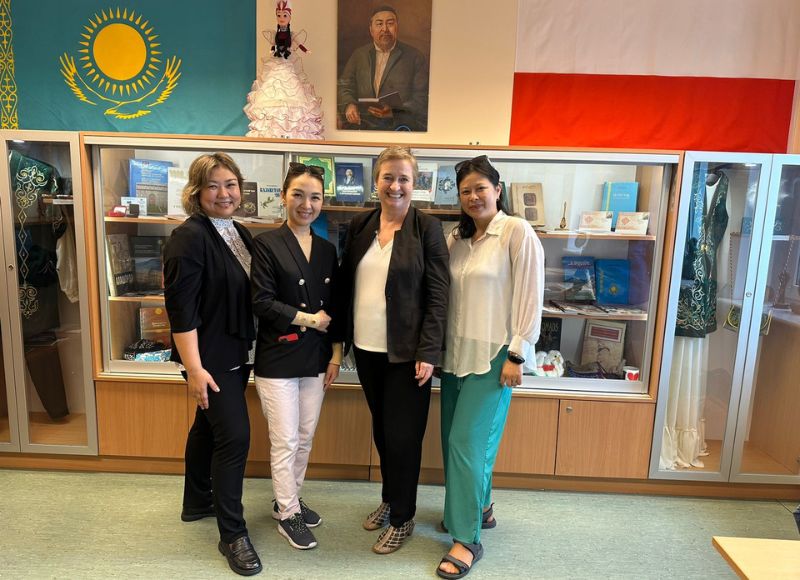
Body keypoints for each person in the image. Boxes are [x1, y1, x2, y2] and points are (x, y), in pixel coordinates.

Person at [436, 155, 544, 579]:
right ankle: (480, 506)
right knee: (454, 439)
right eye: (466, 191)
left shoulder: (516, 231)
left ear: (497, 190)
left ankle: (467, 539)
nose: (473, 196)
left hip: (496, 354)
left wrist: (518, 353)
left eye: (481, 188)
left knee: (467, 442)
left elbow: (531, 294)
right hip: (455, 354)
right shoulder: (456, 238)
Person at [338, 146, 449, 553]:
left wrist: (429, 352)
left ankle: (403, 517)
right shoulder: (360, 224)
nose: (395, 185)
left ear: (415, 183)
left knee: (404, 438)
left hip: (408, 356)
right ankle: (390, 499)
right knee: (383, 433)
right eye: (388, 177)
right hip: (366, 350)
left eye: (404, 178)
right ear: (376, 181)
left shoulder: (427, 228)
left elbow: (438, 295)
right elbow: (346, 282)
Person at [163, 152, 262, 576]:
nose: (224, 194)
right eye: (213, 186)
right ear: (196, 192)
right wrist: (194, 369)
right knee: (235, 438)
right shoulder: (189, 237)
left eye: (231, 184)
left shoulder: (238, 231)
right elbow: (180, 310)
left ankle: (196, 500)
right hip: (209, 358)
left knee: (207, 427)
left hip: (235, 351)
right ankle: (232, 535)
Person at [250, 162, 342, 551]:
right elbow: (261, 301)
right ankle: (289, 514)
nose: (307, 204)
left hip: (316, 357)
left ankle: (288, 499)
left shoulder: (327, 249)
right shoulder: (267, 244)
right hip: (278, 358)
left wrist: (335, 354)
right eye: (299, 195)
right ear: (284, 196)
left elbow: (335, 306)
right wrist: (309, 319)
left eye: (315, 197)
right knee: (285, 440)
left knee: (304, 437)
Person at [337, 5, 429, 131]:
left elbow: (421, 99)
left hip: (399, 128)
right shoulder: (359, 55)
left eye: (390, 23)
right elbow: (344, 85)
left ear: (397, 27)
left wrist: (395, 112)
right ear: (371, 30)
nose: (385, 29)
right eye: (379, 24)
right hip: (362, 126)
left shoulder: (415, 57)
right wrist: (349, 105)